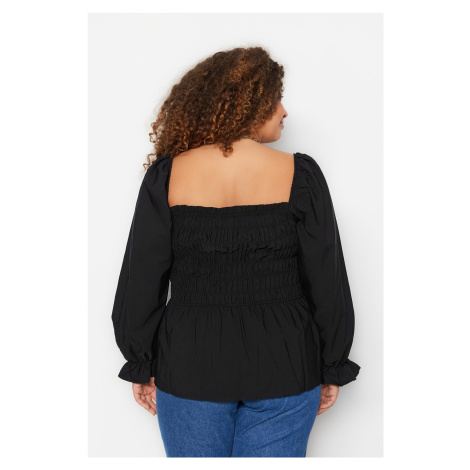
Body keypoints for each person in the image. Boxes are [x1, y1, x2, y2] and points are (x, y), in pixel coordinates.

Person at [111, 46, 360, 458]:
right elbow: (326, 280)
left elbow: (142, 278)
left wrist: (141, 360)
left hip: (190, 362)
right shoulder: (300, 174)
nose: (284, 111)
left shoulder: (168, 176)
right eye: (275, 99)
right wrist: (332, 363)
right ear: (249, 103)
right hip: (286, 362)